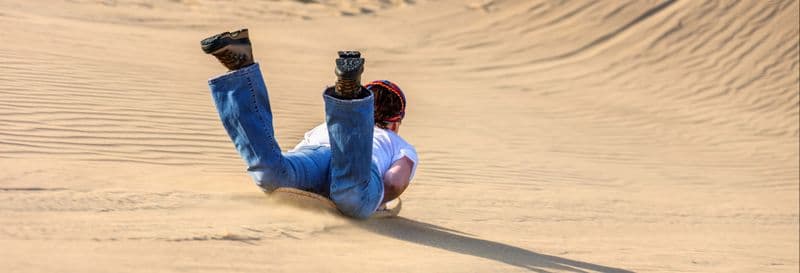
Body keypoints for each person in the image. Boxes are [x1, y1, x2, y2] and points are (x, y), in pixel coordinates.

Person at [200, 28, 418, 219]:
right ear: (396, 121)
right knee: (351, 197)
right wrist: (378, 200)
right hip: (360, 164)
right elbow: (393, 182)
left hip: (315, 151)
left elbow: (298, 152)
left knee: (273, 174)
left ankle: (240, 68)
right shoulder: (398, 144)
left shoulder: (325, 127)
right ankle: (348, 97)